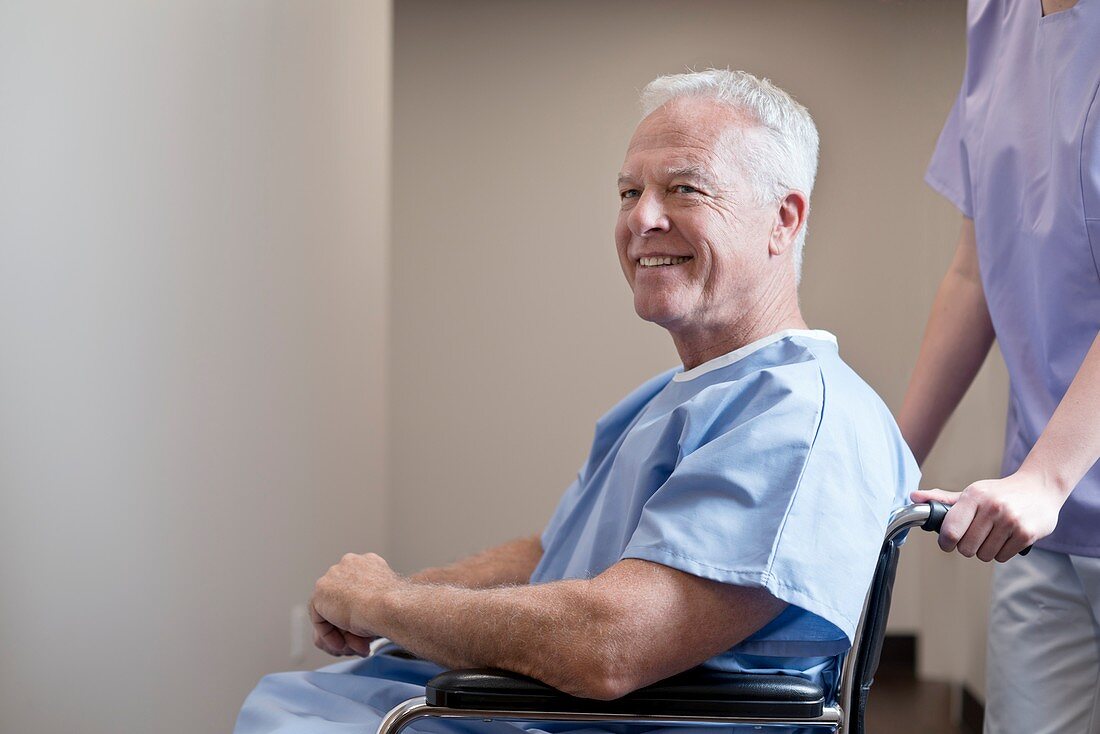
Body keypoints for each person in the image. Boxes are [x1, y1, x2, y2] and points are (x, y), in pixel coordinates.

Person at [234, 69, 918, 734]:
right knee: (296, 699)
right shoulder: (685, 396)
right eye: (628, 192)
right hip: (540, 706)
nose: (642, 219)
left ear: (783, 219)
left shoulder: (798, 420)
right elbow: (556, 552)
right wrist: (395, 599)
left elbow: (611, 645)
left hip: (587, 716)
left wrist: (388, 602)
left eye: (684, 188)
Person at [897, 1, 1100, 732]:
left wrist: (1048, 477)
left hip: (1047, 483)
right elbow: (974, 275)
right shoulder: (996, 19)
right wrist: (889, 463)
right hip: (1042, 526)